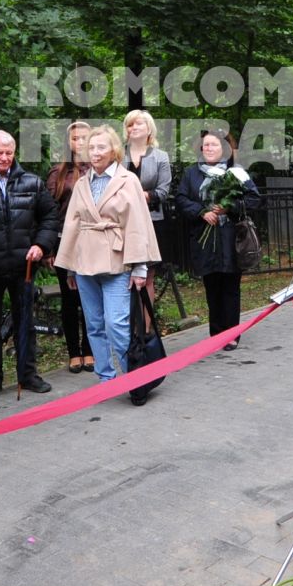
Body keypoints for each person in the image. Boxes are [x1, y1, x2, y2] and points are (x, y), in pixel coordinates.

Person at [53, 125, 160, 383]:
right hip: (84, 265)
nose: (95, 152)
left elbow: (138, 225)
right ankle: (106, 379)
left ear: (113, 150)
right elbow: (72, 224)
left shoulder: (128, 180)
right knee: (94, 325)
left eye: (101, 147)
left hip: (117, 262)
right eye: (91, 147)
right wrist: (69, 267)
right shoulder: (81, 183)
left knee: (117, 325)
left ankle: (133, 379)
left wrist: (140, 268)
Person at [0, 130, 59, 399]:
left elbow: (50, 215)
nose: (4, 157)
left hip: (24, 266)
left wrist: (41, 245)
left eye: (9, 152)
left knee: (26, 323)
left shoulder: (31, 182)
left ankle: (28, 374)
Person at [174, 130, 260, 350]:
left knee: (230, 288)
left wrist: (228, 207)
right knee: (212, 287)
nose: (210, 148)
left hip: (231, 238)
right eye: (206, 145)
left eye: (214, 145)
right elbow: (181, 199)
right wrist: (202, 211)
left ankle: (232, 334)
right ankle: (216, 333)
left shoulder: (236, 172)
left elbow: (253, 199)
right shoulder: (192, 173)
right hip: (205, 240)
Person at [44, 120, 93, 373]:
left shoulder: (100, 169)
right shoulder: (58, 172)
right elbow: (50, 212)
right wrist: (49, 248)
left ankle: (90, 350)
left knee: (91, 297)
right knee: (70, 298)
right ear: (69, 143)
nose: (80, 142)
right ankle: (74, 352)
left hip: (94, 242)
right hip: (66, 242)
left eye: (85, 137)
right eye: (75, 138)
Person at [122, 109, 173, 342]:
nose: (134, 128)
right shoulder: (117, 155)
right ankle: (127, 327)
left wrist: (143, 195)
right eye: (130, 125)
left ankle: (144, 329)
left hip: (152, 221)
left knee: (148, 276)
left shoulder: (160, 156)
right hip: (122, 222)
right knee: (124, 277)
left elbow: (163, 190)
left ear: (149, 129)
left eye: (139, 124)